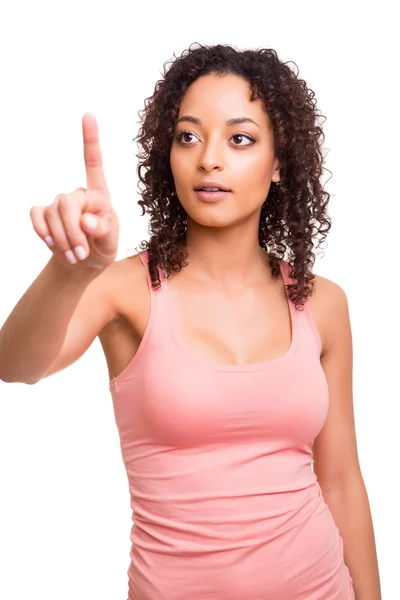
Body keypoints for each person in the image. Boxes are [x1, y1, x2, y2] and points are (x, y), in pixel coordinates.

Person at [0, 43, 381, 599]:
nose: (210, 159)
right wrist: (70, 269)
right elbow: (14, 366)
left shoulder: (322, 303)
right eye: (189, 135)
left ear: (279, 162)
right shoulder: (123, 289)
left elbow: (342, 479)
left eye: (240, 138)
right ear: (169, 156)